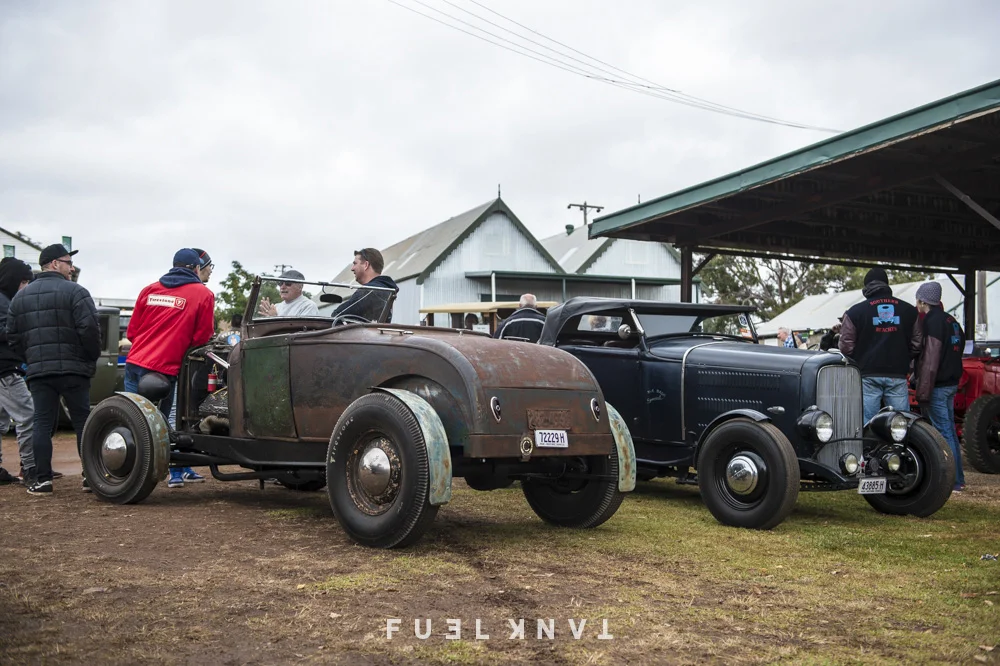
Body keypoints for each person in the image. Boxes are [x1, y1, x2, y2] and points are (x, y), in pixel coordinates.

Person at [8, 243, 102, 496]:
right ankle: (90, 476)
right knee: (83, 421)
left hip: (40, 371)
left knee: (42, 422)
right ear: (54, 264)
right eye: (68, 262)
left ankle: (41, 480)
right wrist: (89, 358)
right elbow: (90, 330)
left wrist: (30, 358)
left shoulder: (20, 297)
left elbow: (12, 336)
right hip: (74, 370)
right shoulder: (77, 292)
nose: (72, 267)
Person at [125, 248, 216, 488]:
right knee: (162, 422)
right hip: (164, 368)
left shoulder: (150, 290)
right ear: (196, 268)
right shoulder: (202, 294)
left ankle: (127, 471)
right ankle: (168, 472)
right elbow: (203, 336)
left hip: (135, 363)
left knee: (132, 419)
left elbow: (132, 331)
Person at [839, 267, 922, 422]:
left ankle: (870, 447)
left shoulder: (855, 312)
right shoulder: (909, 311)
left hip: (868, 375)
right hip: (897, 376)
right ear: (886, 284)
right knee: (901, 423)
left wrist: (862, 358)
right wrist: (903, 356)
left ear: (866, 286)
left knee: (868, 423)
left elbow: (845, 346)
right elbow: (917, 343)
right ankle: (898, 447)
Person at [913, 281, 966, 491]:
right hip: (952, 382)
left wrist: (922, 388)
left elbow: (930, 360)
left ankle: (951, 481)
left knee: (943, 432)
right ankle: (958, 478)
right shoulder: (951, 321)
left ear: (923, 300)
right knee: (950, 431)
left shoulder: (932, 322)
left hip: (938, 384)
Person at [0, 258, 36, 485]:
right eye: (24, 282)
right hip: (6, 371)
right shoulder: (5, 303)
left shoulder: (5, 300)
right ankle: (31, 468)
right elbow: (6, 332)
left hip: (4, 370)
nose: (26, 288)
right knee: (28, 416)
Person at [332, 249, 398, 322]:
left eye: (355, 264)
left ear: (366, 265)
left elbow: (337, 315)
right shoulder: (387, 290)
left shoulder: (369, 291)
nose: (352, 268)